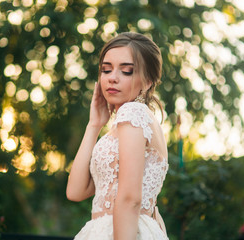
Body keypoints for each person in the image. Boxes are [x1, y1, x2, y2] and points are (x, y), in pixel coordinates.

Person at [66, 32, 169, 240]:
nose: (112, 77)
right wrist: (94, 125)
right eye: (106, 69)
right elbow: (76, 191)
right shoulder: (126, 125)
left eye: (126, 71)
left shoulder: (133, 113)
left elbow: (130, 199)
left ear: (147, 81)